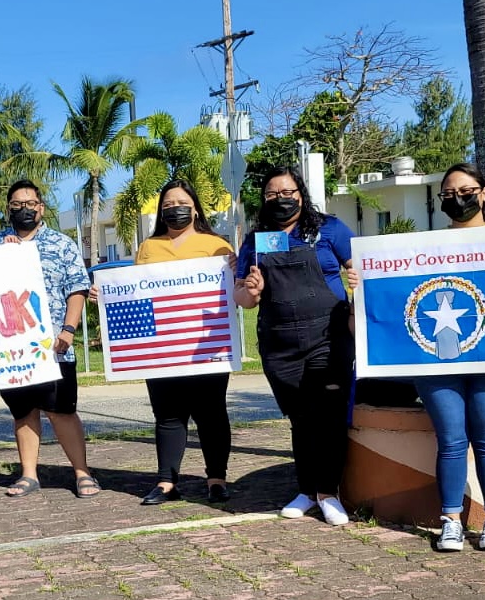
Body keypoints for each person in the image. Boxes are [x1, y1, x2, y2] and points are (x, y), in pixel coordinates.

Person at [351, 162, 485, 552]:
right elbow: (391, 292)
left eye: (465, 190)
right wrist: (362, 283)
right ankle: (450, 520)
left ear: (484, 193)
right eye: (448, 194)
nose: (457, 198)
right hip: (436, 363)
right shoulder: (424, 246)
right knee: (450, 441)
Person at [232, 167, 354, 526]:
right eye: (272, 194)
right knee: (300, 419)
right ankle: (306, 490)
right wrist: (250, 291)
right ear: (263, 199)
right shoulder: (256, 241)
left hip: (328, 337)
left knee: (329, 416)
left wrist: (358, 278)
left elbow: (360, 267)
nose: (281, 199)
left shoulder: (330, 229)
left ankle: (329, 493)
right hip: (279, 342)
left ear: (301, 193)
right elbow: (243, 296)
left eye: (288, 192)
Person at [0, 180, 98, 499]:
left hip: (55, 347)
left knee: (61, 410)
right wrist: (1, 256)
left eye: (30, 204)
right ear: (8, 209)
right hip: (11, 349)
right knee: (23, 412)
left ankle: (82, 473)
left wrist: (68, 330)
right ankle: (28, 474)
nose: (24, 209)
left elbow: (77, 289)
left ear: (41, 207)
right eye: (17, 205)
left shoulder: (61, 245)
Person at [128, 180, 235, 506]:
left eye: (181, 202)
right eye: (167, 205)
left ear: (195, 207)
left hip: (207, 344)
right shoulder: (148, 248)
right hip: (162, 347)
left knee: (211, 413)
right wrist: (104, 294)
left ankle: (216, 479)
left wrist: (233, 271)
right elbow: (135, 293)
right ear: (161, 212)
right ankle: (166, 482)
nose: (175, 208)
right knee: (168, 415)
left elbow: (233, 290)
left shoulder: (216, 245)